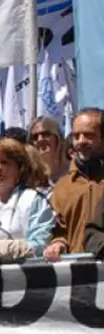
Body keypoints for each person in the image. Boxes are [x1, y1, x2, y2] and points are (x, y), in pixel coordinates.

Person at [0, 139, 55, 265]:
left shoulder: (33, 200)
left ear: (20, 168)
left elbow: (40, 245)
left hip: (19, 279)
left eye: (5, 162)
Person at [45, 108, 104, 261]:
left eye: (89, 135)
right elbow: (56, 230)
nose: (81, 141)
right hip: (76, 276)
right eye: (77, 136)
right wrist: (58, 243)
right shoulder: (62, 187)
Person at [29, 116, 68, 185]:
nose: (40, 139)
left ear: (57, 137)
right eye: (35, 137)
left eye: (46, 134)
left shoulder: (73, 171)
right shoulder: (29, 176)